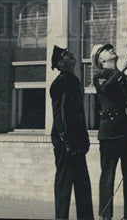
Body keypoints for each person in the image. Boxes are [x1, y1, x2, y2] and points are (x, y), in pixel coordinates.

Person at [92, 44, 127, 220]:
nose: (111, 50)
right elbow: (107, 88)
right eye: (106, 50)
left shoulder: (125, 80)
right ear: (101, 60)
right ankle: (105, 216)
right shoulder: (99, 77)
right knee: (108, 176)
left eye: (111, 48)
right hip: (110, 133)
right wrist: (122, 69)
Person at [49, 45, 94, 220]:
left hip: (76, 141)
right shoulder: (59, 83)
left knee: (82, 183)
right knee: (64, 184)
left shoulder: (73, 80)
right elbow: (59, 114)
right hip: (65, 142)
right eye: (66, 55)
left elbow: (79, 115)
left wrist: (84, 138)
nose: (71, 55)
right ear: (60, 63)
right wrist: (65, 140)